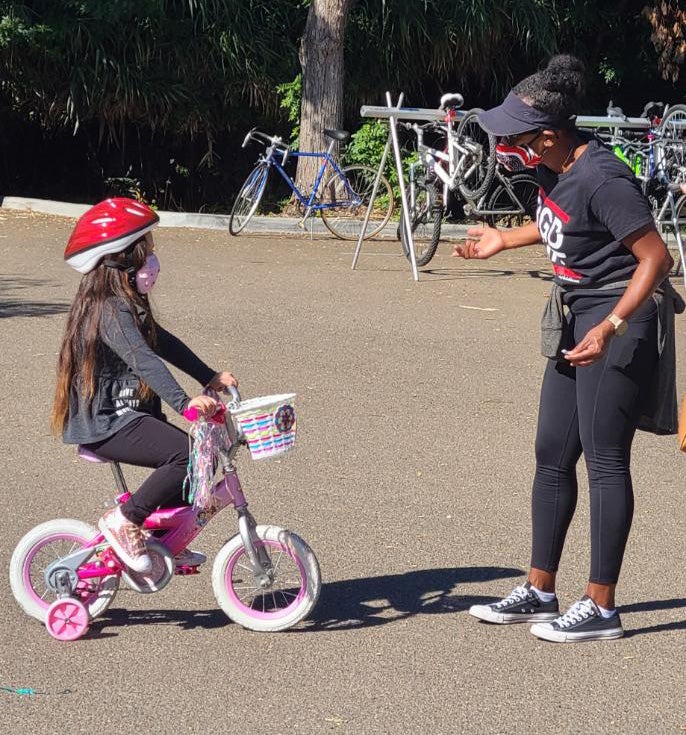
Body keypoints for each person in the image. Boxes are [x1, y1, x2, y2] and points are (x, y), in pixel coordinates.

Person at [457, 56, 683, 642]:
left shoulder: (604, 177)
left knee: (607, 460)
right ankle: (540, 589)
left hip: (618, 322)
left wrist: (609, 325)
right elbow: (564, 222)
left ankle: (601, 605)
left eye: (512, 136)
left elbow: (659, 258)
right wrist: (505, 238)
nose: (504, 144)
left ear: (548, 137)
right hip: (573, 317)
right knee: (551, 453)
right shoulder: (554, 174)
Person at [51, 197, 238, 574]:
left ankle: (165, 539)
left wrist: (208, 376)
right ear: (120, 260)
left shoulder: (127, 302)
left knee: (198, 462)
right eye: (145, 252)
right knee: (185, 456)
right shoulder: (108, 309)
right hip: (106, 423)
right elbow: (143, 358)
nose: (152, 261)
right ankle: (126, 520)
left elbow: (160, 342)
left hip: (127, 415)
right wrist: (185, 403)